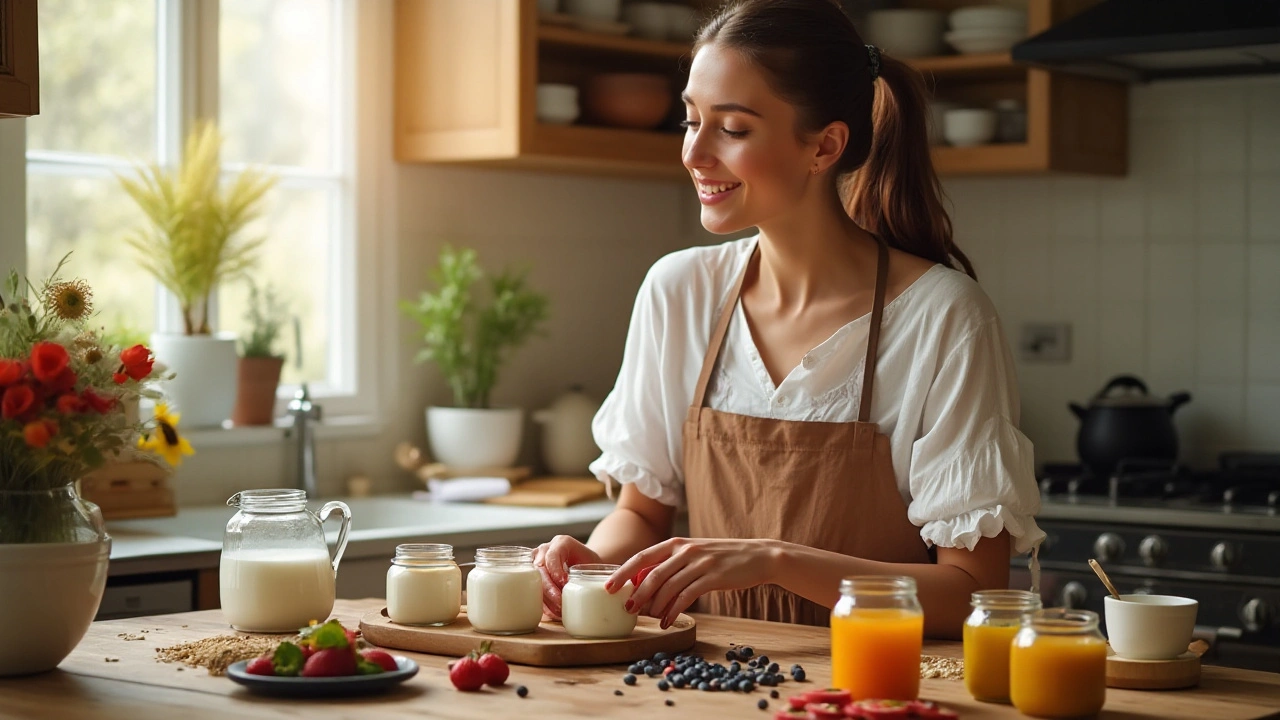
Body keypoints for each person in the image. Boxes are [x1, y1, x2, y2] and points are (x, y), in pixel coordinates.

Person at [534, 0, 1044, 639]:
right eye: (691, 120)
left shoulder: (945, 318)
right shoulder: (679, 291)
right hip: (704, 684)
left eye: (734, 129)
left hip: (872, 691)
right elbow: (640, 512)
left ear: (825, 145)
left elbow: (972, 592)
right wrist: (595, 565)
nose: (695, 152)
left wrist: (775, 561)